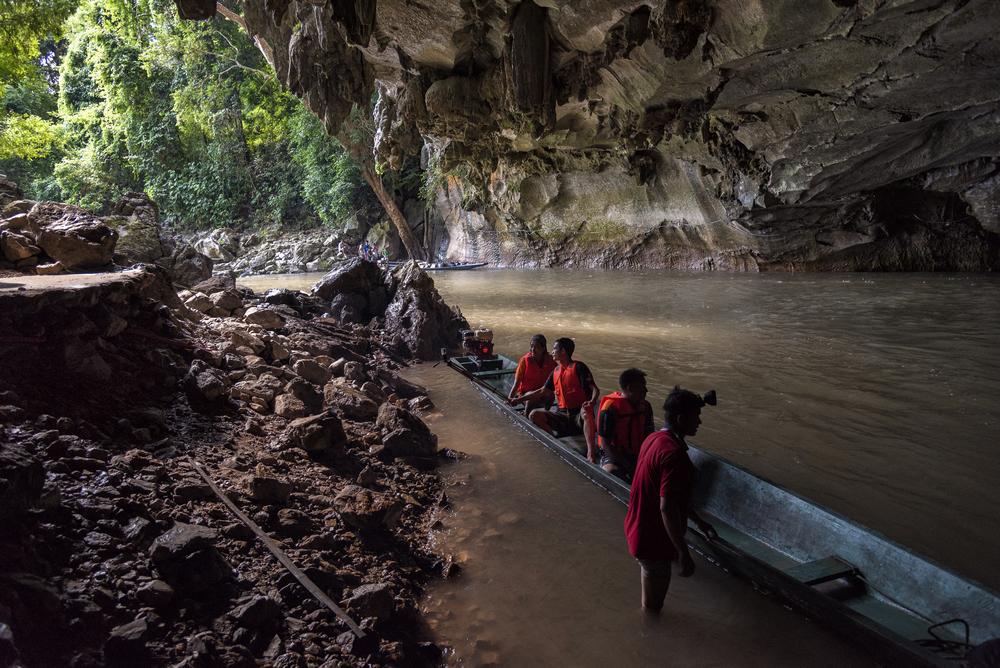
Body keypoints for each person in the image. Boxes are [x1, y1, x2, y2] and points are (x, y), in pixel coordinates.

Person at [624, 386, 718, 613]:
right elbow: (666, 507)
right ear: (680, 418)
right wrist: (683, 552)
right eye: (696, 417)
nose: (699, 423)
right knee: (652, 609)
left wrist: (698, 521)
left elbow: (673, 499)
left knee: (651, 597)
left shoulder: (654, 438)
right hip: (653, 542)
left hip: (637, 529)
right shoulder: (674, 455)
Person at [517, 338, 599, 454]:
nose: (552, 352)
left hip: (578, 416)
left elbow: (595, 390)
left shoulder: (579, 367)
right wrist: (518, 399)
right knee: (534, 415)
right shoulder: (555, 371)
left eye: (555, 349)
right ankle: (554, 437)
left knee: (586, 412)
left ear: (563, 351)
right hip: (562, 416)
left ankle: (591, 453)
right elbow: (542, 391)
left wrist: (592, 402)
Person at [597, 368, 654, 481]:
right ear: (630, 388)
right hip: (615, 455)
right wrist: (629, 466)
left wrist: (644, 460)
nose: (646, 390)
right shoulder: (610, 409)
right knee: (611, 472)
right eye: (642, 387)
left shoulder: (646, 406)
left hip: (638, 452)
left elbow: (649, 436)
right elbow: (606, 445)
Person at [508, 334, 557, 412]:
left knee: (551, 395)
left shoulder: (551, 360)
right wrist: (510, 399)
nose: (533, 349)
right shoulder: (524, 360)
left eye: (536, 347)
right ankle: (526, 414)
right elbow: (517, 383)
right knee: (532, 398)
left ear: (543, 348)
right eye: (531, 346)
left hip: (542, 393)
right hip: (525, 394)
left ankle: (546, 413)